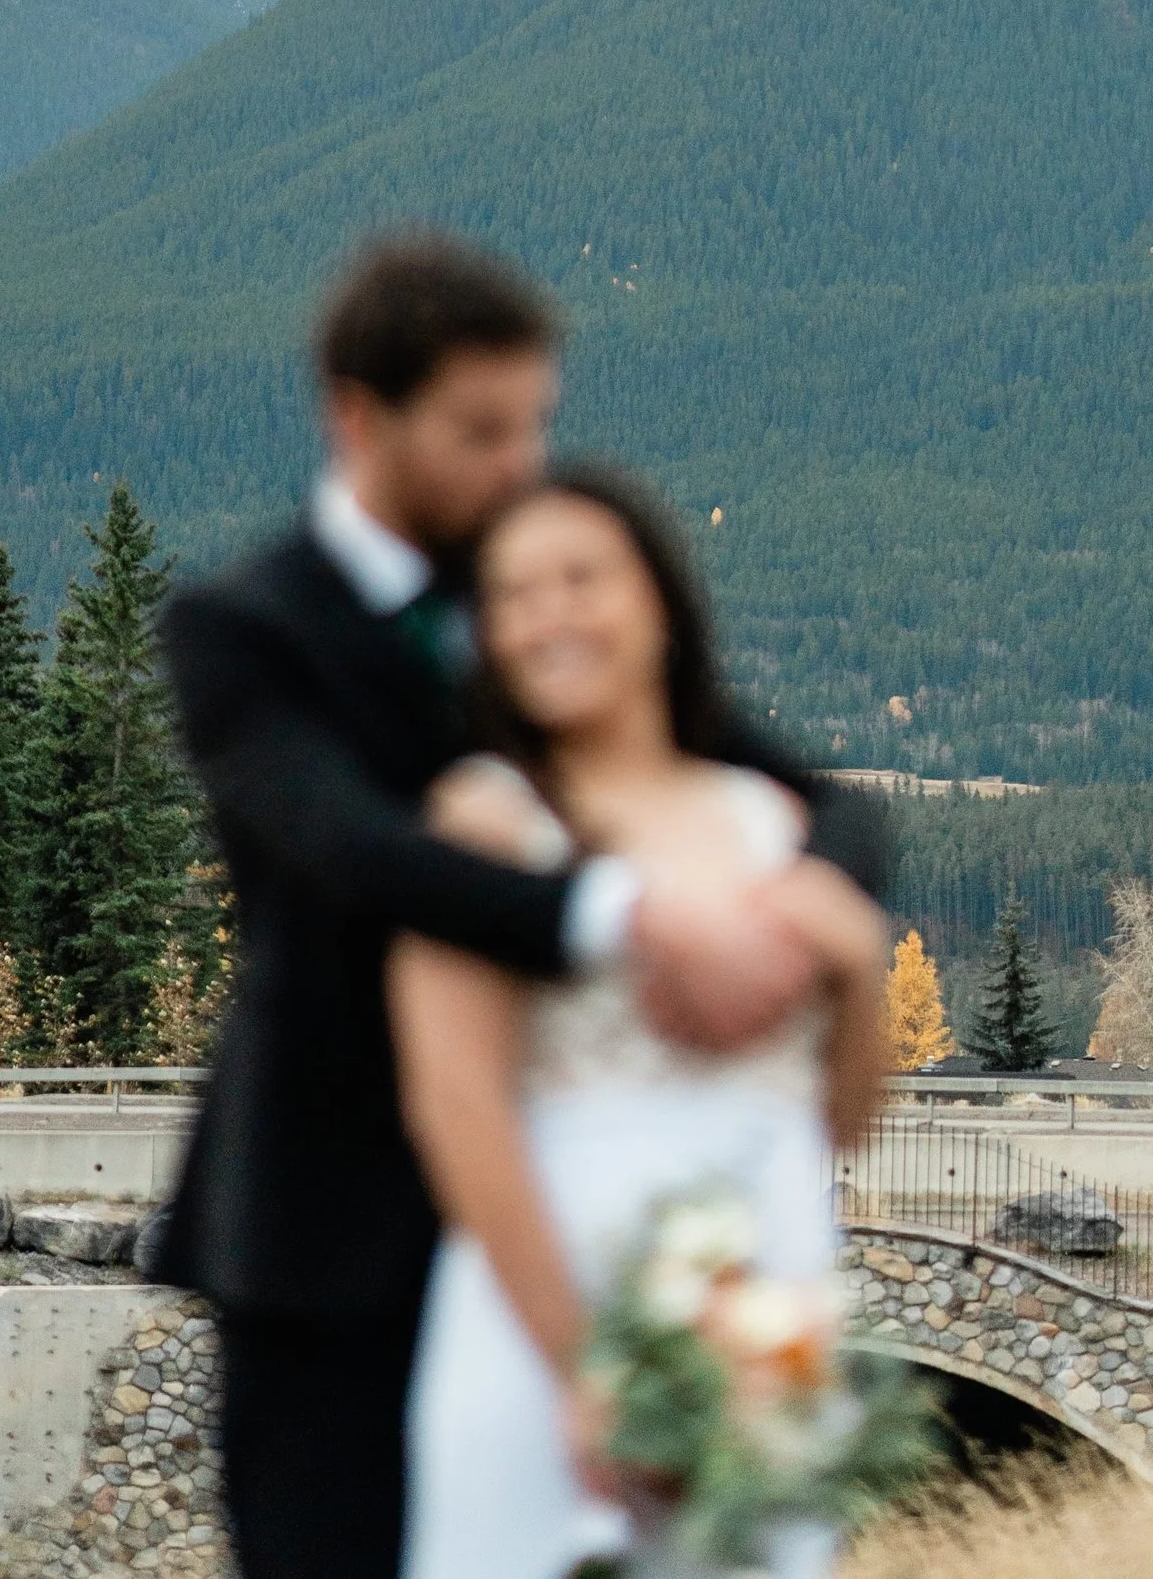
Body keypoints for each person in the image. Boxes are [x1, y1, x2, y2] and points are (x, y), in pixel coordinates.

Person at [157, 236, 886, 1579]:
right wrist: (633, 913)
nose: (519, 464)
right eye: (482, 430)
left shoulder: (548, 603)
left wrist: (809, 907)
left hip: (576, 1219)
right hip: (336, 1230)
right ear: (360, 414)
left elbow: (818, 802)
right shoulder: (244, 627)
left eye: (535, 424)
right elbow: (356, 849)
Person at [391, 467, 890, 1579]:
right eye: (514, 594)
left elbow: (844, 1120)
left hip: (766, 1304)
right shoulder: (482, 822)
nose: (549, 614)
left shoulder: (770, 822)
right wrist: (581, 1368)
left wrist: (859, 968)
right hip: (549, 1305)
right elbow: (456, 1106)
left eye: (582, 578)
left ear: (660, 601)